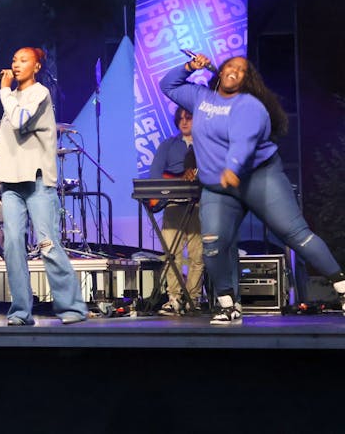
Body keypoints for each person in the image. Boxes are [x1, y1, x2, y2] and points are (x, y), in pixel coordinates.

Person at [162, 54, 345, 324]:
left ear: (248, 80)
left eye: (242, 70)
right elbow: (168, 86)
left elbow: (243, 141)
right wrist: (190, 67)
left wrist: (233, 168)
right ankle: (228, 304)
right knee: (213, 246)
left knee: (295, 235)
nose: (235, 71)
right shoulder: (201, 98)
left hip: (259, 178)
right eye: (230, 66)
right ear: (221, 71)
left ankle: (342, 287)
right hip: (219, 187)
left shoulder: (250, 106)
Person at [0, 47, 88, 325]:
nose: (16, 64)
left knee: (47, 244)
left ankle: (72, 307)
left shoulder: (39, 93)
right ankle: (21, 311)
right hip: (10, 181)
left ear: (36, 67)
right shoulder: (13, 98)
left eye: (23, 60)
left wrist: (4, 91)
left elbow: (21, 121)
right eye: (13, 60)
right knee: (12, 246)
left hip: (36, 181)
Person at [147, 108, 204, 315]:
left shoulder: (205, 144)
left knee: (198, 256)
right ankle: (174, 298)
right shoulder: (168, 145)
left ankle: (194, 298)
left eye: (188, 118)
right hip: (173, 206)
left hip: (199, 205)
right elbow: (154, 175)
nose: (184, 122)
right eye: (180, 119)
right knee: (172, 254)